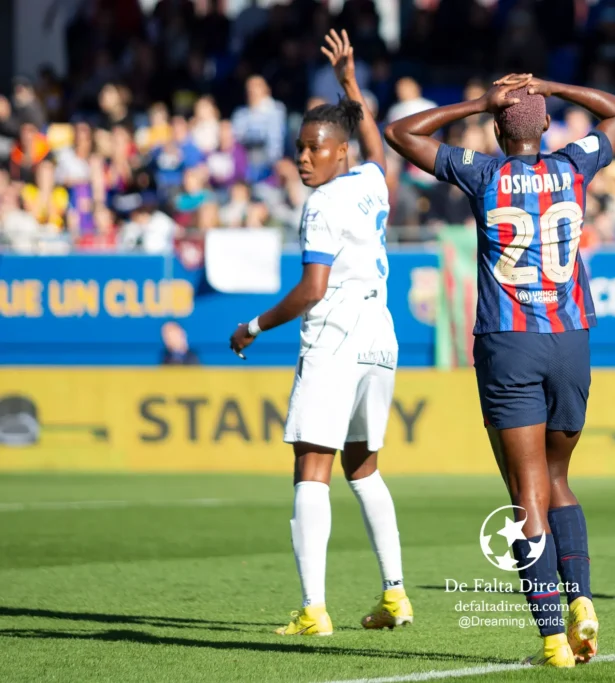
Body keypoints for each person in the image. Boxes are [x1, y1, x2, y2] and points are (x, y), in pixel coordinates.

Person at [384, 73, 615, 668]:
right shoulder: (573, 165)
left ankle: (552, 641)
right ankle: (581, 602)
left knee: (527, 495)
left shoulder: (483, 172)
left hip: (510, 343)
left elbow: (399, 133)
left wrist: (479, 102)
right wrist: (550, 86)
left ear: (497, 128)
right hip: (571, 339)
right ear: (546, 123)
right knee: (558, 478)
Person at [229, 29, 411, 637]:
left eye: (315, 148)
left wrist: (253, 326)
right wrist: (350, 83)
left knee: (312, 468)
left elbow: (312, 288)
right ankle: (395, 595)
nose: (304, 158)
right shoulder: (368, 183)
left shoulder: (324, 203)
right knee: (364, 467)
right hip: (379, 336)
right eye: (300, 148)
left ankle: (313, 610)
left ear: (339, 154)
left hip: (335, 338)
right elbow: (377, 147)